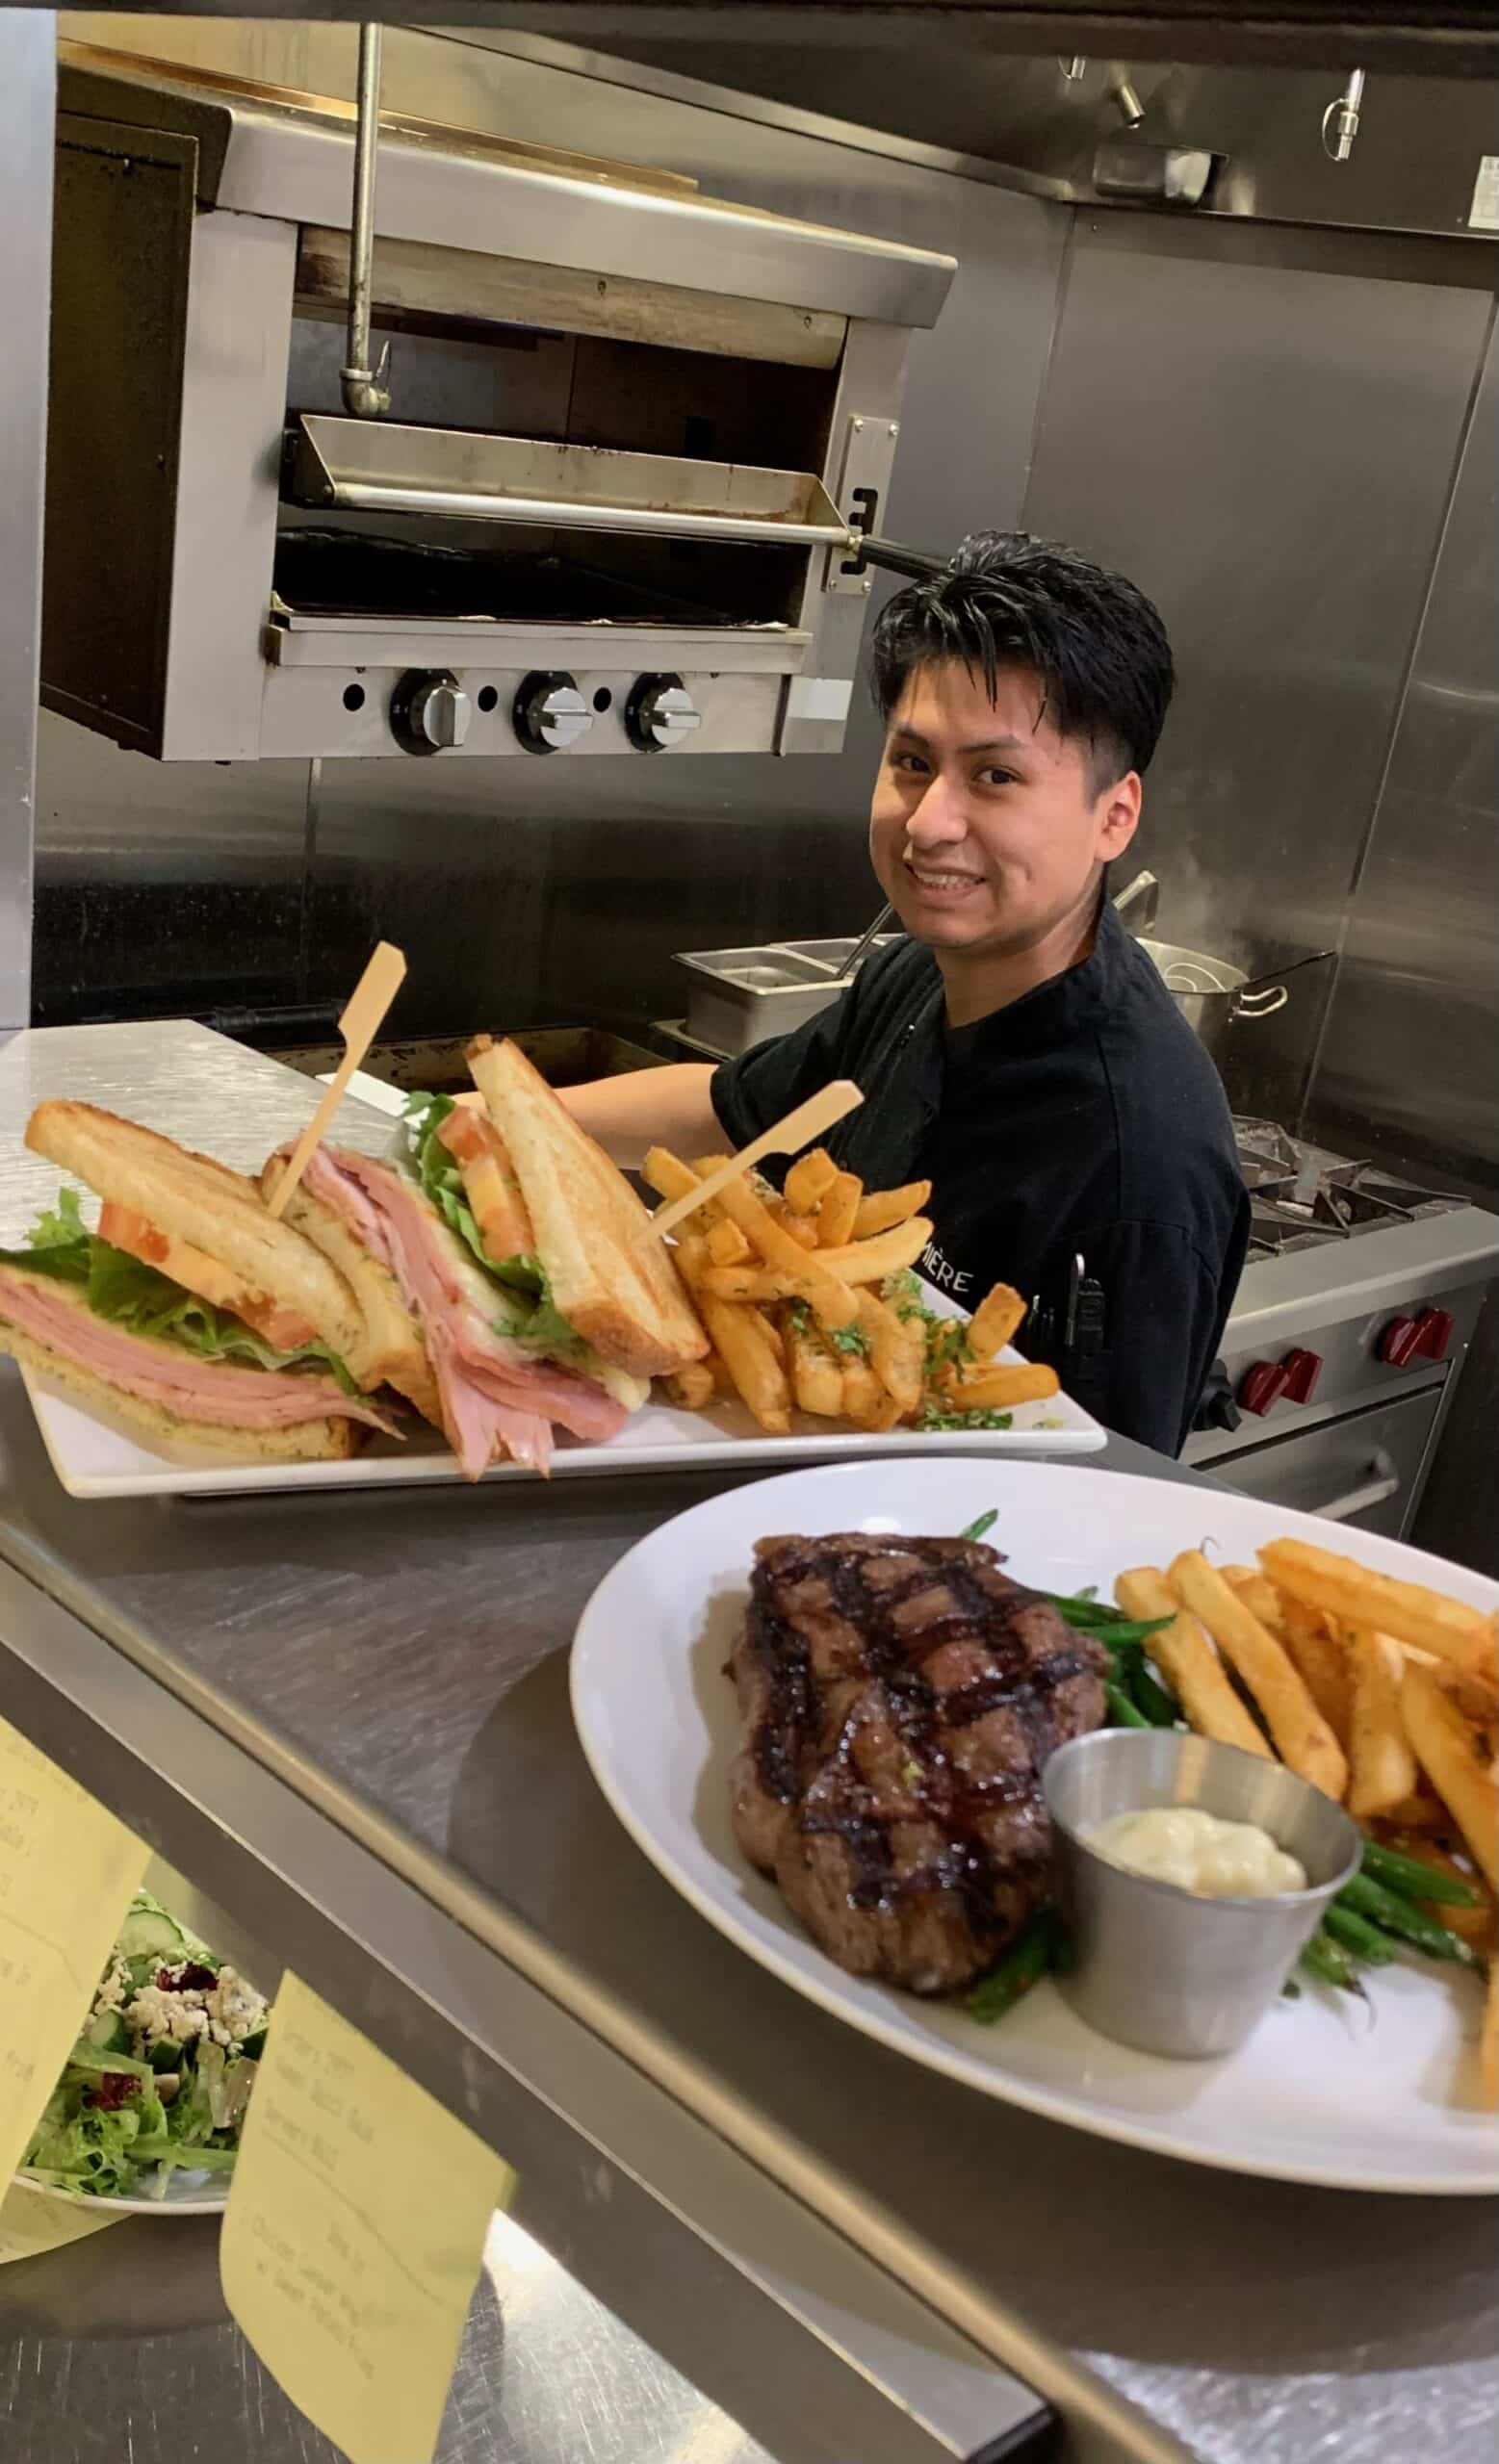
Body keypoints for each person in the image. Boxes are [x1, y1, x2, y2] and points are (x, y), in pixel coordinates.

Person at [561, 531, 1250, 1454]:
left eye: (995, 777)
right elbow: (735, 1115)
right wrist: (461, 1126)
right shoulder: (917, 972)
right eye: (912, 762)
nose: (929, 823)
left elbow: (1106, 1496)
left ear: (1112, 816)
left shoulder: (1138, 1164)